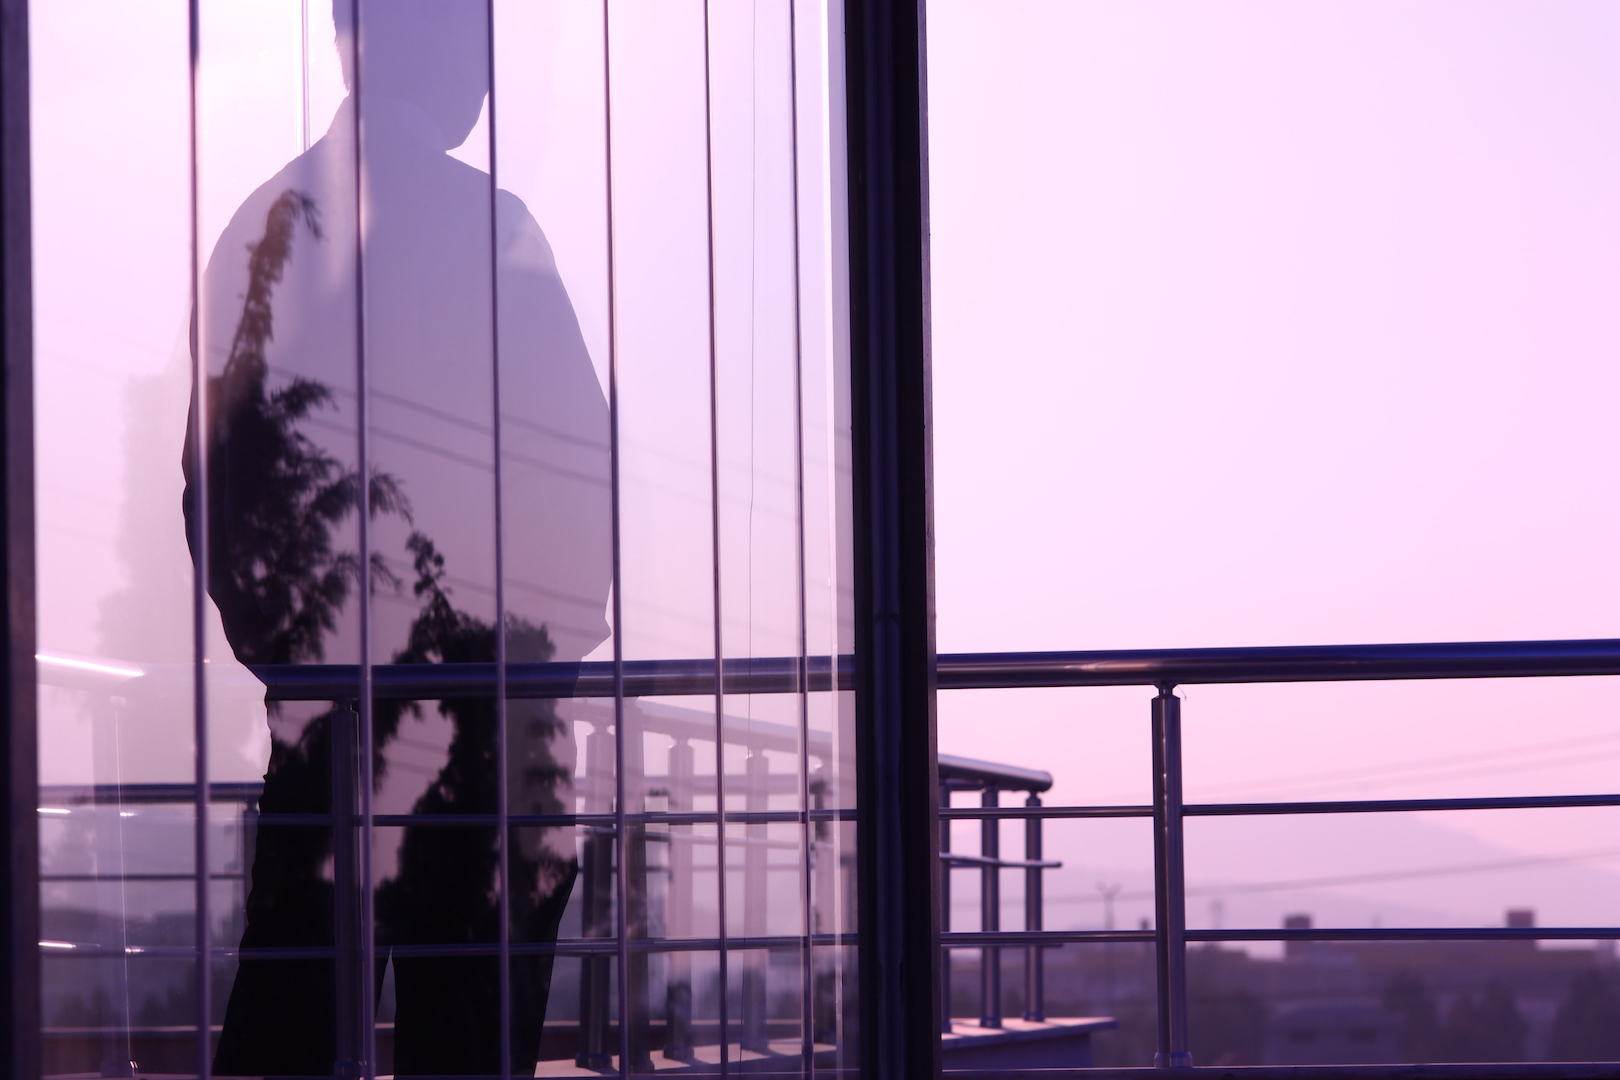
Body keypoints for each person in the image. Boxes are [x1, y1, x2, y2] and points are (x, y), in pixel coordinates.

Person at [185, 3, 613, 1073]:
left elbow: (217, 485)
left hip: (328, 735)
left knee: (289, 1034)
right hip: (487, 747)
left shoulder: (266, 223)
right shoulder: (493, 230)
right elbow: (580, 478)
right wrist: (530, 666)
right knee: (470, 1045)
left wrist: (298, 662)